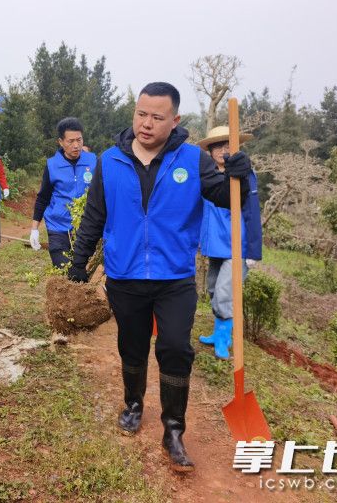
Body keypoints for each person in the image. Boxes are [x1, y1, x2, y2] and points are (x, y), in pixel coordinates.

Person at [68, 82, 253, 472]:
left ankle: (173, 429)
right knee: (132, 346)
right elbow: (94, 216)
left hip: (175, 276)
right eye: (140, 114)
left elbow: (225, 196)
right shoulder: (110, 161)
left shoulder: (192, 160)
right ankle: (133, 404)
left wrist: (241, 176)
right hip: (126, 274)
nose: (146, 124)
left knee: (174, 348)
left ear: (175, 120)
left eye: (156, 117)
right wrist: (78, 263)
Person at [197, 126, 263, 360]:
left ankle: (224, 340)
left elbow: (253, 211)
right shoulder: (207, 175)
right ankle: (218, 333)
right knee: (215, 288)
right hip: (214, 245)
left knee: (226, 293)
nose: (222, 150)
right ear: (211, 150)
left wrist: (254, 250)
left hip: (237, 245)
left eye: (227, 145)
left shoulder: (243, 175)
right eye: (218, 145)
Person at [30, 117, 97, 267]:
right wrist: (34, 228)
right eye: (70, 141)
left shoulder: (93, 161)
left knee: (83, 272)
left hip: (85, 227)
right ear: (61, 142)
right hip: (58, 226)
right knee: (63, 270)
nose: (76, 145)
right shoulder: (52, 165)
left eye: (79, 140)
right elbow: (43, 197)